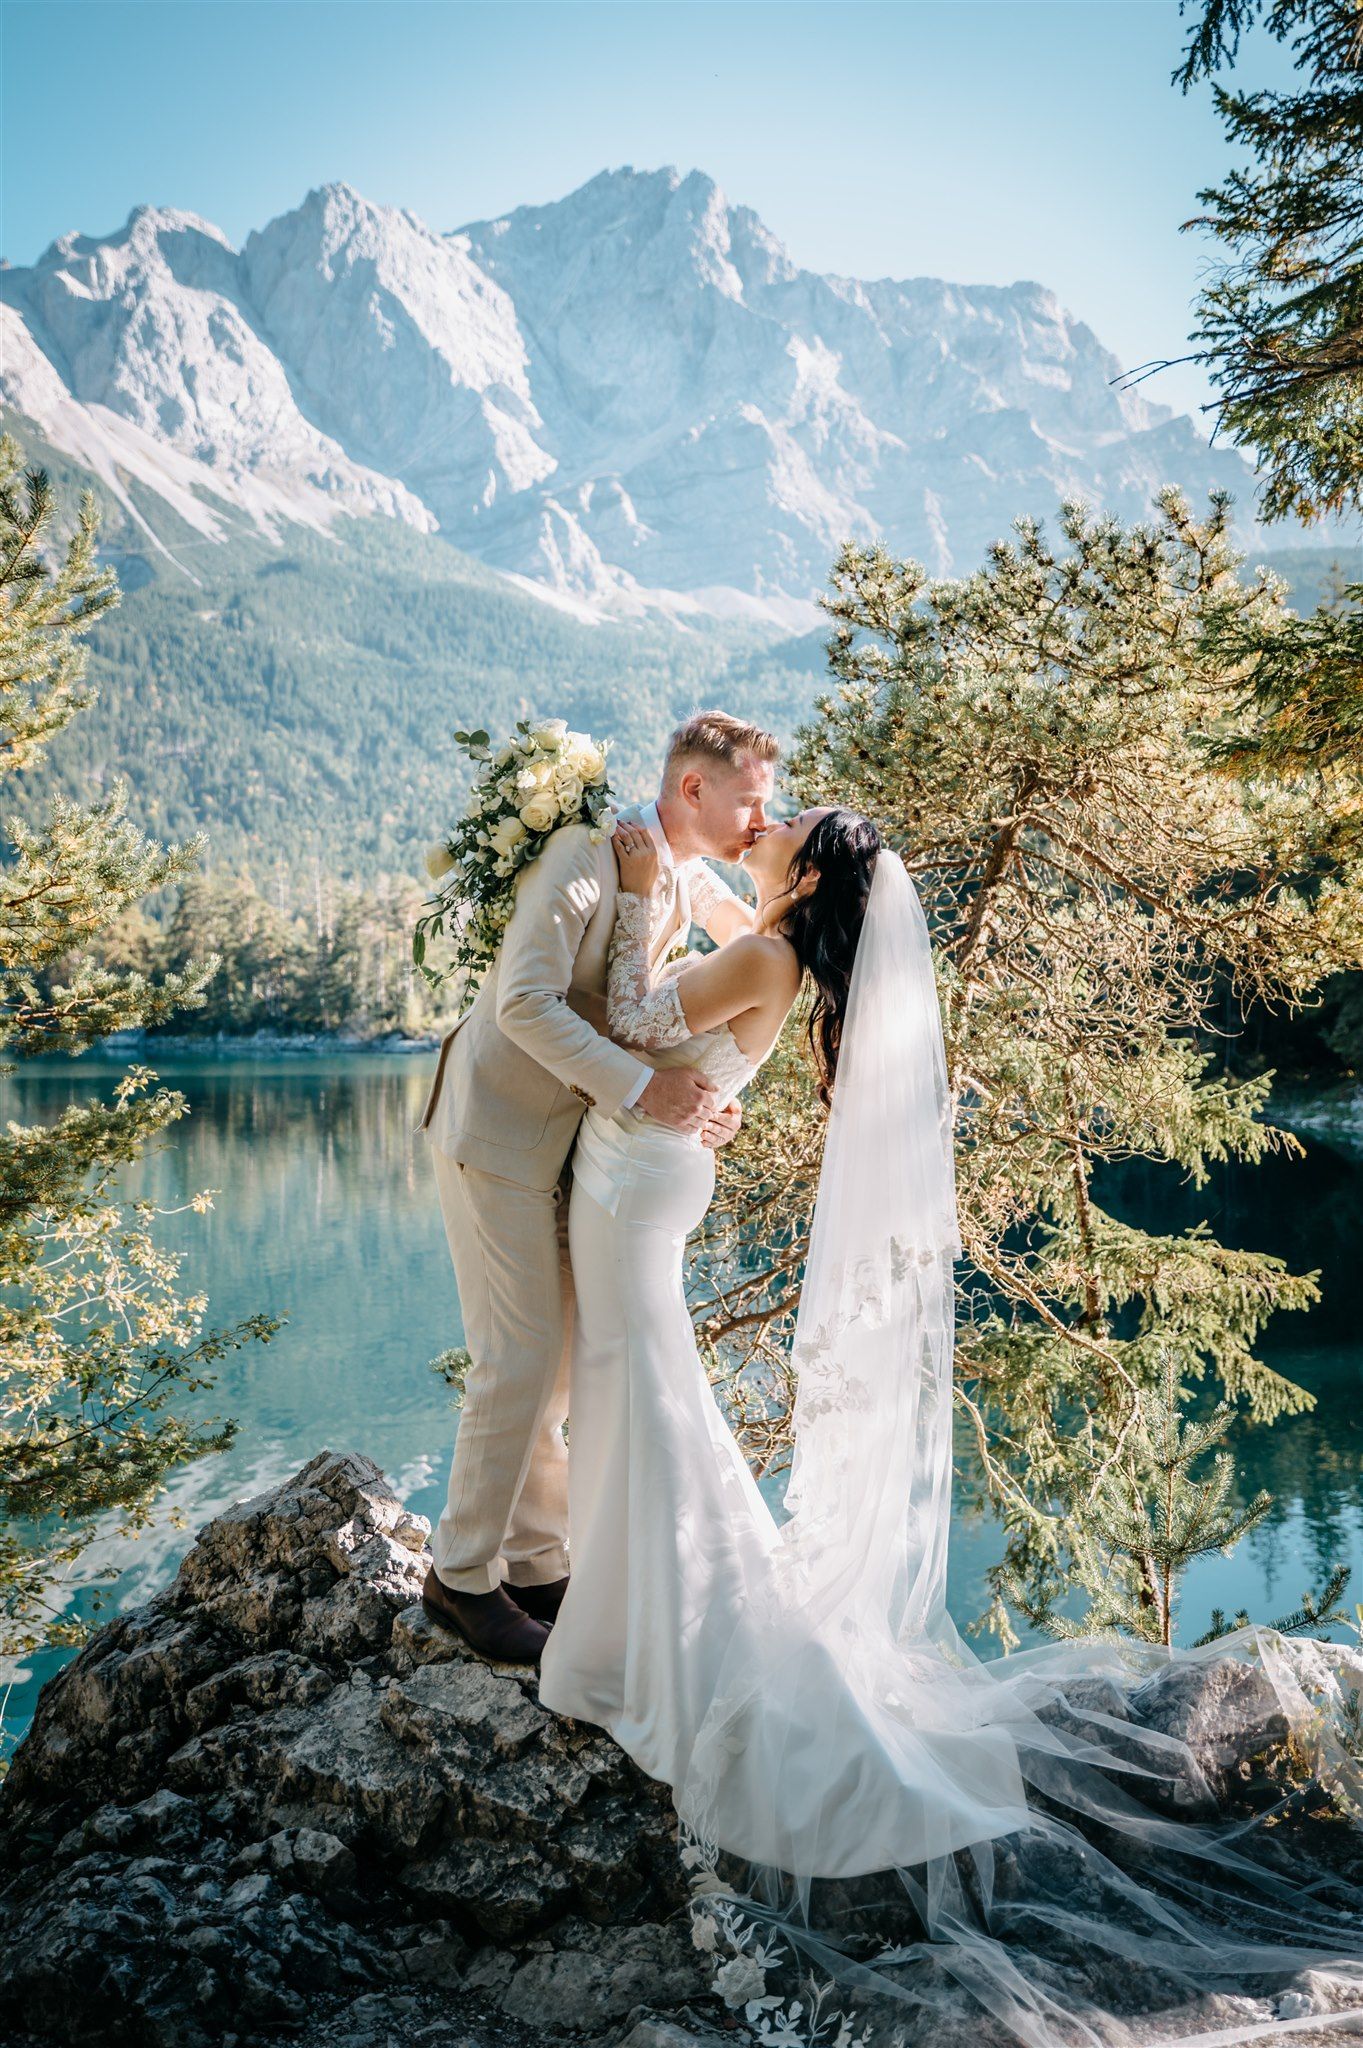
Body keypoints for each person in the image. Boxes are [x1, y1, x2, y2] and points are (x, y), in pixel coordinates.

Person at [539, 806, 1363, 2045]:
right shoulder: (777, 946)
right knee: (649, 1400)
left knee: (656, 1401)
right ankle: (621, 1617)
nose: (757, 819)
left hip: (638, 1190)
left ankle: (639, 1642)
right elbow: (722, 960)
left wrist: (632, 888)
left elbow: (632, 1023)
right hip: (643, 1183)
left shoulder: (765, 957)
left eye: (783, 824)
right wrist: (690, 892)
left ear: (809, 872)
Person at [415, 710, 778, 1663]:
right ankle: (458, 1578)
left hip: (570, 1145)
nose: (759, 815)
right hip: (495, 1132)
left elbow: (749, 946)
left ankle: (537, 1562)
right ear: (694, 790)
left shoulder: (677, 870)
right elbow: (524, 1004)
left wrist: (710, 1093)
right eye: (751, 798)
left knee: (562, 1366)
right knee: (520, 1356)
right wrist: (647, 1089)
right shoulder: (584, 853)